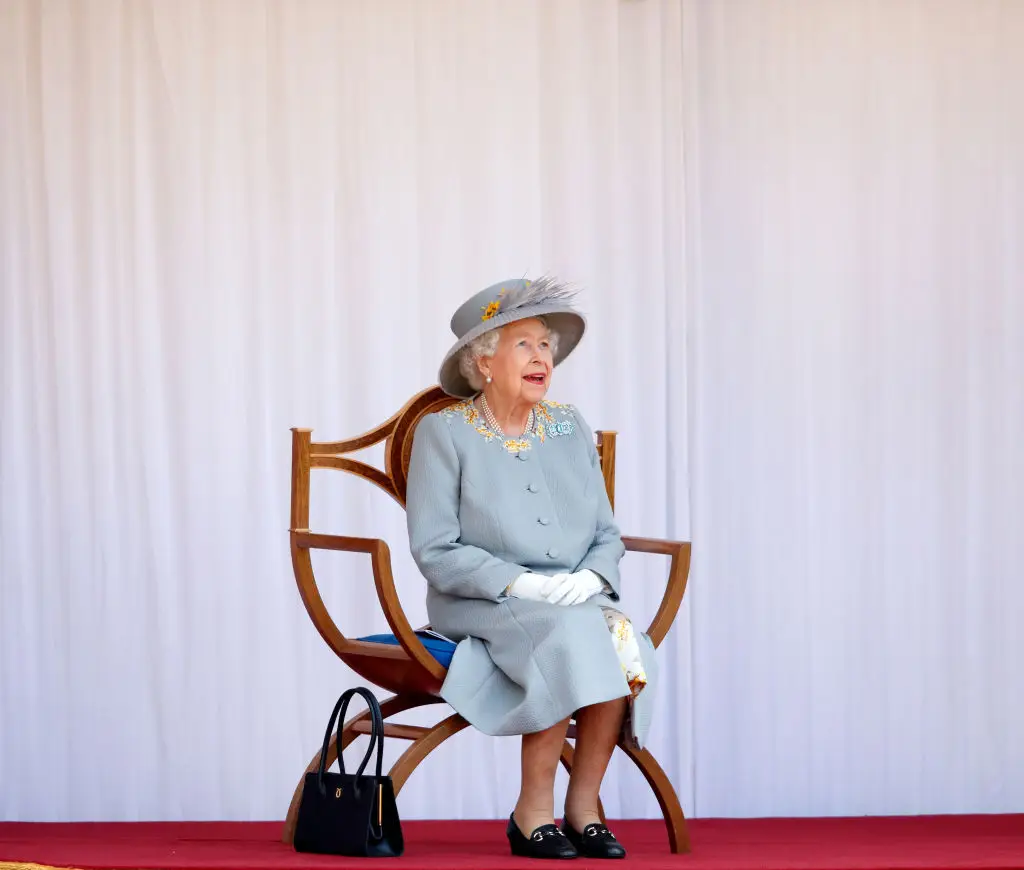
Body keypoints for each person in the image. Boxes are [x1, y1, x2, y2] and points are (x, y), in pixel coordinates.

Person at [405, 277, 658, 860]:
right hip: (481, 600)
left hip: (574, 598)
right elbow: (434, 548)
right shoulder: (443, 432)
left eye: (546, 345)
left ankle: (584, 808)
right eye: (524, 344)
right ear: (483, 362)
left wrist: (591, 578)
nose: (542, 356)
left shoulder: (568, 426)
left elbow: (605, 532)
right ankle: (532, 812)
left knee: (618, 635)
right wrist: (520, 582)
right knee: (569, 636)